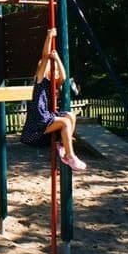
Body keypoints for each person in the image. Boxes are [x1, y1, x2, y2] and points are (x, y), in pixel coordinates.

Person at [21, 28, 86, 171]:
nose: (56, 72)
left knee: (71, 115)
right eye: (54, 69)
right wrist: (49, 36)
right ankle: (69, 156)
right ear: (46, 71)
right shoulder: (40, 81)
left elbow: (64, 77)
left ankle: (62, 144)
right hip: (36, 125)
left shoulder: (53, 85)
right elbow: (45, 57)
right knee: (65, 122)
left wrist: (57, 59)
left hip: (46, 118)